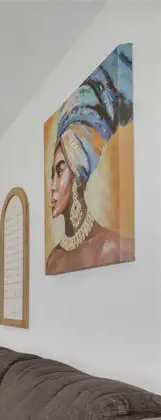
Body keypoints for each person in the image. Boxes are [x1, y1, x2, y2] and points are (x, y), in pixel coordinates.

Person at [45, 44, 134, 275]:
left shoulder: (112, 248)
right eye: (51, 175)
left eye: (60, 170)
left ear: (77, 176)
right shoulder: (52, 261)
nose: (52, 186)